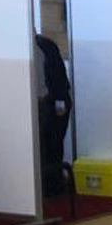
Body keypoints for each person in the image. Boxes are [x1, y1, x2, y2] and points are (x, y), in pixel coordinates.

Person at [36, 35, 73, 197]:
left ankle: (53, 186)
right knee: (47, 144)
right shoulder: (38, 46)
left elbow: (58, 80)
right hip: (46, 100)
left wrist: (59, 104)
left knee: (51, 144)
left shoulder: (45, 46)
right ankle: (49, 185)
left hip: (55, 101)